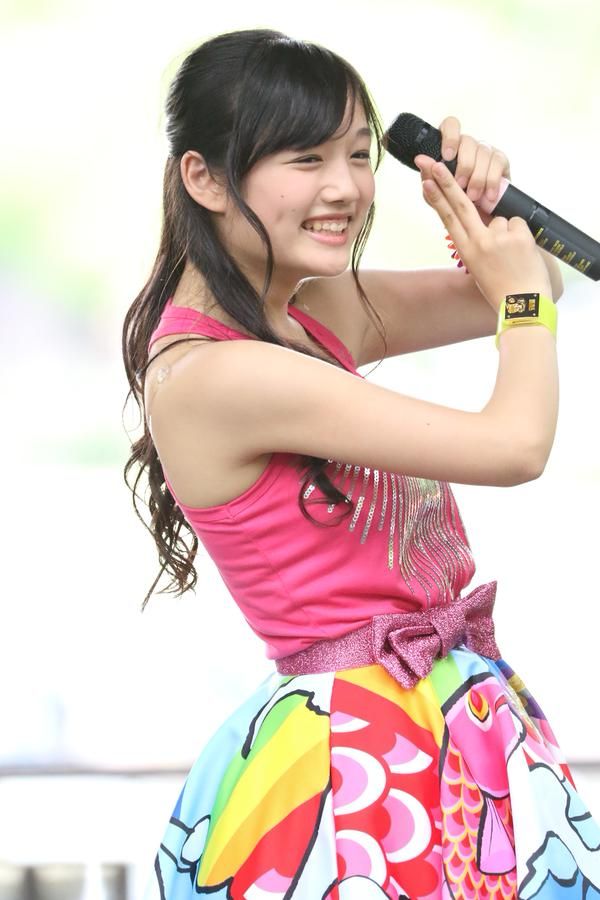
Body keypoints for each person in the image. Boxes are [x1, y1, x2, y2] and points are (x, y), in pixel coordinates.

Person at [122, 28, 600, 900]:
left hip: (443, 727)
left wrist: (482, 212)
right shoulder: (215, 375)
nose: (344, 186)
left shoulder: (309, 313)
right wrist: (523, 299)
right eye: (305, 158)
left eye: (355, 153)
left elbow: (532, 284)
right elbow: (515, 443)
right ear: (205, 178)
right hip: (355, 764)